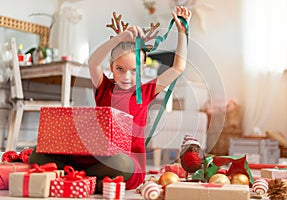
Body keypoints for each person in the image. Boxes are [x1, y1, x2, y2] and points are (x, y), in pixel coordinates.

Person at [29, 6, 191, 193]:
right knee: (37, 154)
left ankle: (78, 178)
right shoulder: (104, 87)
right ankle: (90, 180)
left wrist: (182, 32)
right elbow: (93, 62)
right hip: (94, 157)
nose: (127, 77)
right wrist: (120, 38)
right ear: (112, 67)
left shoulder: (147, 92)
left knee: (121, 163)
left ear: (143, 70)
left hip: (125, 164)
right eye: (120, 69)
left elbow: (178, 67)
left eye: (134, 71)